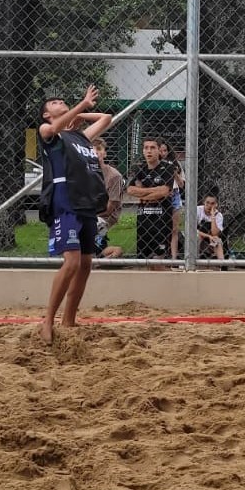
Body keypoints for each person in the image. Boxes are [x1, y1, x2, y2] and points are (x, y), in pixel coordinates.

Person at [37, 85, 115, 343]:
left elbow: (106, 119)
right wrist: (80, 107)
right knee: (71, 263)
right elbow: (54, 128)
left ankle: (69, 319)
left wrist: (80, 116)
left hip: (86, 205)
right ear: (47, 115)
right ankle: (48, 320)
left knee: (85, 265)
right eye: (55, 103)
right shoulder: (48, 132)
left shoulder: (80, 137)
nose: (61, 103)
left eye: (62, 100)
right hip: (65, 202)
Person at [126, 138, 173, 266]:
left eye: (152, 148)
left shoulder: (167, 167)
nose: (149, 151)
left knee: (159, 261)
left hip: (161, 221)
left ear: (159, 150)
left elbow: (164, 191)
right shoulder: (139, 169)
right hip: (143, 221)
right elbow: (130, 190)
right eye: (146, 148)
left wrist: (143, 191)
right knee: (142, 260)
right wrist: (154, 191)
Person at [91, 137, 126, 259]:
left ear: (104, 153)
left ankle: (97, 257)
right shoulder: (83, 172)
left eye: (99, 149)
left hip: (105, 216)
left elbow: (110, 208)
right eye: (91, 149)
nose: (95, 152)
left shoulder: (114, 176)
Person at [195, 191, 226, 264]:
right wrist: (208, 236)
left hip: (211, 239)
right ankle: (193, 262)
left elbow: (215, 233)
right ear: (204, 202)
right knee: (197, 237)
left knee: (217, 240)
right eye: (207, 203)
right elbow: (192, 230)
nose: (209, 205)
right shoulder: (197, 210)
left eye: (212, 204)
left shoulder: (218, 215)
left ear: (216, 205)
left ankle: (222, 264)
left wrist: (213, 216)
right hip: (199, 236)